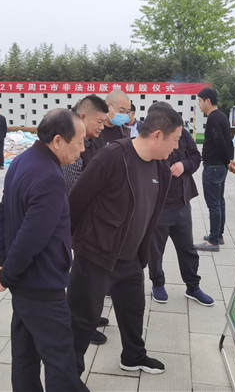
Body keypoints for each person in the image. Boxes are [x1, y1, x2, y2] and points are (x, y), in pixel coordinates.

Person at [67, 106, 183, 376]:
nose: (177, 147)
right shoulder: (112, 157)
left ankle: (133, 356)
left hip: (131, 258)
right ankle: (68, 376)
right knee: (81, 320)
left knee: (133, 311)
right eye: (175, 139)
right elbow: (76, 201)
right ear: (157, 135)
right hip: (96, 256)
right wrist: (73, 244)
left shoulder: (161, 168)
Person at [0, 108, 87, 392]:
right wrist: (6, 273)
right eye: (79, 142)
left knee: (25, 357)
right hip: (42, 286)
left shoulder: (22, 160)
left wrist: (1, 262)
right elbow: (32, 238)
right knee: (61, 363)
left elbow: (2, 214)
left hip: (23, 285)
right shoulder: (49, 176)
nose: (83, 148)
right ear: (58, 141)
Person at [146, 102, 214, 306]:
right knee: (155, 250)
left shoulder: (181, 134)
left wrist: (184, 165)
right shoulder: (147, 137)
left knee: (188, 249)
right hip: (157, 207)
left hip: (181, 203)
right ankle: (157, 283)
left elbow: (196, 156)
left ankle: (193, 286)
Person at [61, 94, 111, 345]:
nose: (102, 127)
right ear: (82, 117)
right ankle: (80, 323)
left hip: (89, 218)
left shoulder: (92, 139)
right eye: (99, 122)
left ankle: (86, 316)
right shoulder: (72, 141)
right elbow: (73, 189)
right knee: (82, 275)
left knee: (86, 274)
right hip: (75, 219)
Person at [194, 88, 235, 252]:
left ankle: (213, 241)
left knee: (214, 204)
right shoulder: (222, 116)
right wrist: (229, 160)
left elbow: (220, 141)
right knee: (219, 201)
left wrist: (228, 161)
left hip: (213, 167)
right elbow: (229, 141)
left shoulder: (213, 118)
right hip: (220, 166)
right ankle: (218, 235)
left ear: (207, 101)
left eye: (200, 101)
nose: (199, 104)